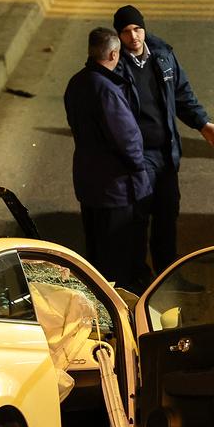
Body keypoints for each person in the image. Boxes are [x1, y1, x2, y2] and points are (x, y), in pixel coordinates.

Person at [112, 4, 214, 277]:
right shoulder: (115, 65)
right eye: (126, 32)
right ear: (119, 35)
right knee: (139, 218)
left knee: (167, 214)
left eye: (137, 29)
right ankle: (138, 279)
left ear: (144, 28)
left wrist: (202, 123)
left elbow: (181, 94)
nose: (134, 36)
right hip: (139, 157)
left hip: (166, 153)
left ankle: (168, 277)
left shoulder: (162, 56)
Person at [63, 27, 153, 289]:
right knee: (120, 258)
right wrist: (140, 171)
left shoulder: (76, 82)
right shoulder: (107, 90)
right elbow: (127, 139)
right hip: (116, 189)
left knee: (98, 254)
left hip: (89, 183)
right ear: (114, 53)